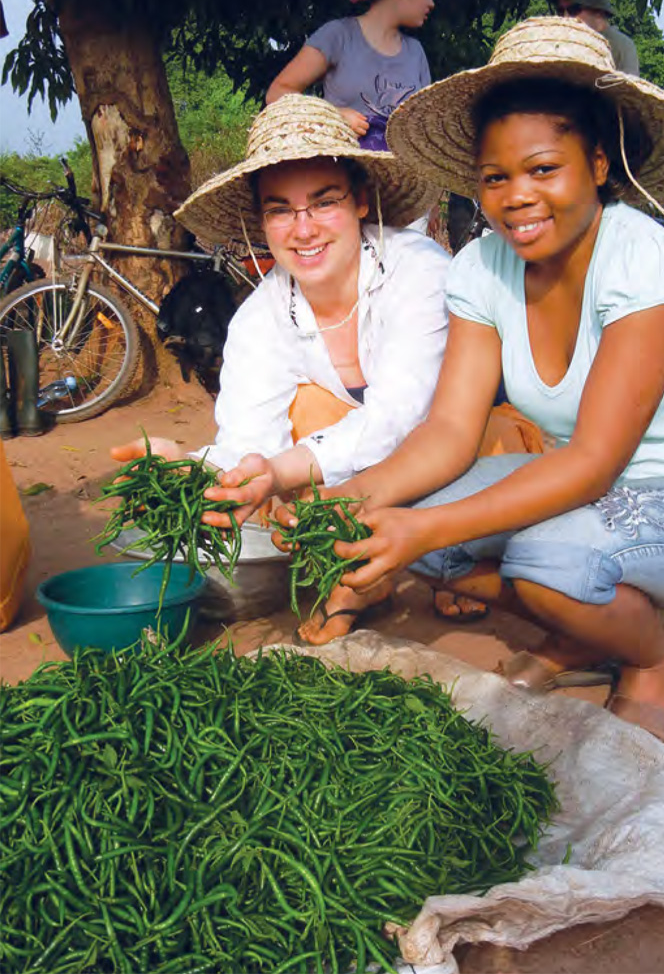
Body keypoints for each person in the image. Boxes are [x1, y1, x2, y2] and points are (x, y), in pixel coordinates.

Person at [304, 17, 664, 741]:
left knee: (536, 554)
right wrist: (340, 501)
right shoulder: (481, 268)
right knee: (411, 524)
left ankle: (646, 659)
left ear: (599, 165)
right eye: (496, 177)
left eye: (543, 169)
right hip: (595, 497)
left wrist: (423, 521)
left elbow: (591, 462)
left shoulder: (642, 261)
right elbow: (452, 431)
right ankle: (583, 629)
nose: (517, 195)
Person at [110, 94, 448, 643]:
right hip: (366, 475)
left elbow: (402, 418)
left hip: (457, 450)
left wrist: (280, 472)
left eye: (323, 202)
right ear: (261, 222)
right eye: (280, 209)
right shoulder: (261, 317)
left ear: (361, 201)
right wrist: (197, 472)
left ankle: (454, 560)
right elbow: (249, 441)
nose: (303, 228)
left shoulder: (418, 273)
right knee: (300, 419)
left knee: (492, 438)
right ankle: (368, 573)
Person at [265, 0, 435, 150]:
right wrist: (332, 116)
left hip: (400, 180)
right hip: (344, 174)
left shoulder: (416, 53)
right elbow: (277, 93)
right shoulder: (338, 36)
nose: (431, 3)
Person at [553, 0, 639, 76]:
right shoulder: (557, 43)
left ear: (598, 10)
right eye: (561, 11)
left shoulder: (620, 46)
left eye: (573, 9)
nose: (565, 17)